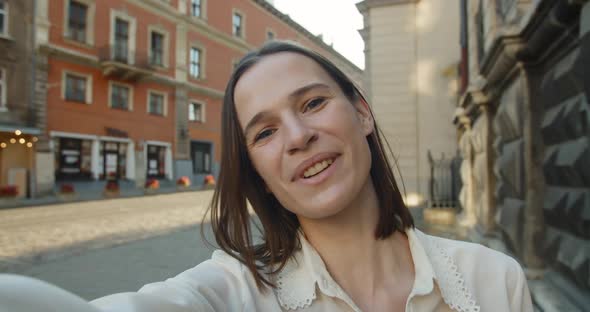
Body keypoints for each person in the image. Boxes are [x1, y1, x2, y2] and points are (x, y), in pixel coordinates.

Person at [0, 41, 533, 312]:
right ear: (256, 170)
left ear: (363, 112)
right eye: (264, 132)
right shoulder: (235, 292)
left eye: (314, 102)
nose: (298, 136)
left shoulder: (494, 280)